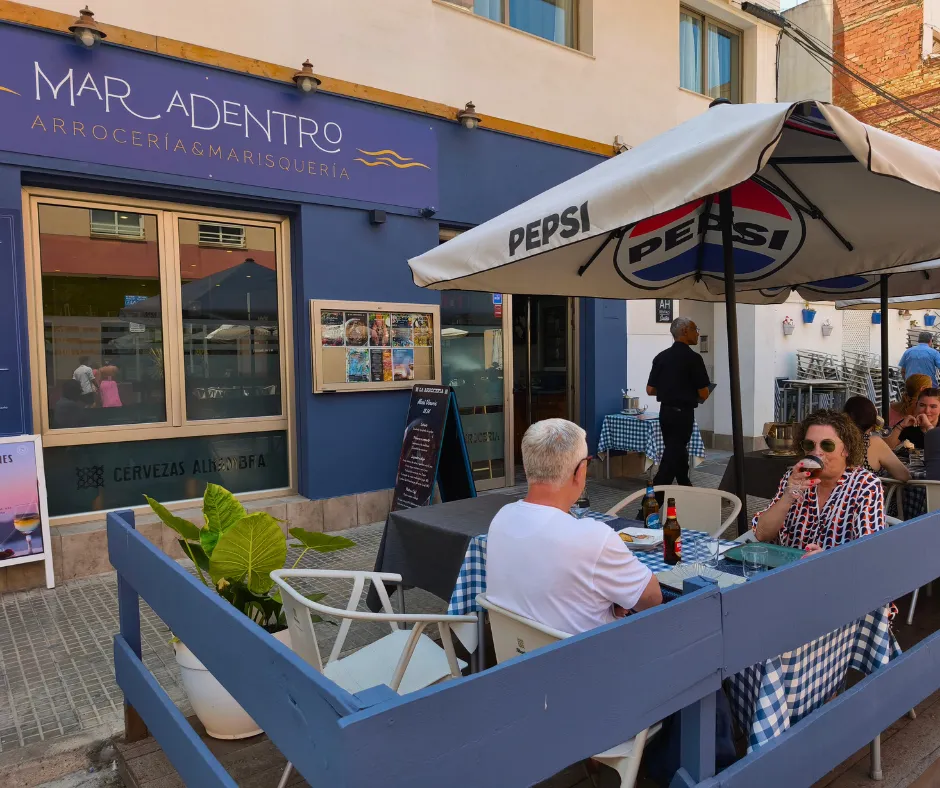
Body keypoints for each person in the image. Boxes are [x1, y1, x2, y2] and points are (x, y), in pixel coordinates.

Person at [486, 418, 661, 635]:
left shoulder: (502, 518)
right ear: (581, 471)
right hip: (590, 661)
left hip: (518, 657)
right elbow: (652, 599)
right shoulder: (593, 537)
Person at [753, 410, 885, 554]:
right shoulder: (795, 478)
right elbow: (761, 534)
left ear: (846, 449)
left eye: (827, 445)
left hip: (835, 573)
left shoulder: (865, 485)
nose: (817, 452)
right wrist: (788, 497)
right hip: (787, 569)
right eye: (809, 445)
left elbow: (870, 551)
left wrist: (825, 559)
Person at [646, 317, 710, 491]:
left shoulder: (661, 357)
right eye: (695, 329)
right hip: (683, 415)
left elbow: (650, 390)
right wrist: (684, 390)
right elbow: (703, 392)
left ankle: (686, 487)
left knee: (678, 453)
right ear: (684, 331)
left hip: (665, 414)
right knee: (671, 459)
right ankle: (650, 503)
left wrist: (669, 390)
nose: (698, 333)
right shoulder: (693, 359)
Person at [843, 396, 910, 481]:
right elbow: (904, 476)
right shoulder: (872, 442)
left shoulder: (836, 440)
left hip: (835, 493)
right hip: (865, 493)